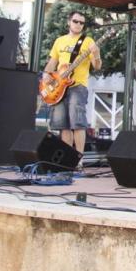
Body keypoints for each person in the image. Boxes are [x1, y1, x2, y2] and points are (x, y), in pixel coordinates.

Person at [42, 11, 101, 160]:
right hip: (59, 86)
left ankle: (78, 159)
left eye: (82, 23)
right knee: (63, 126)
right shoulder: (59, 41)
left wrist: (97, 54)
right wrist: (46, 74)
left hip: (78, 86)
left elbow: (97, 66)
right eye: (76, 21)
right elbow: (53, 62)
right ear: (69, 22)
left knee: (78, 123)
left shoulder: (88, 41)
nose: (79, 24)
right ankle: (68, 159)